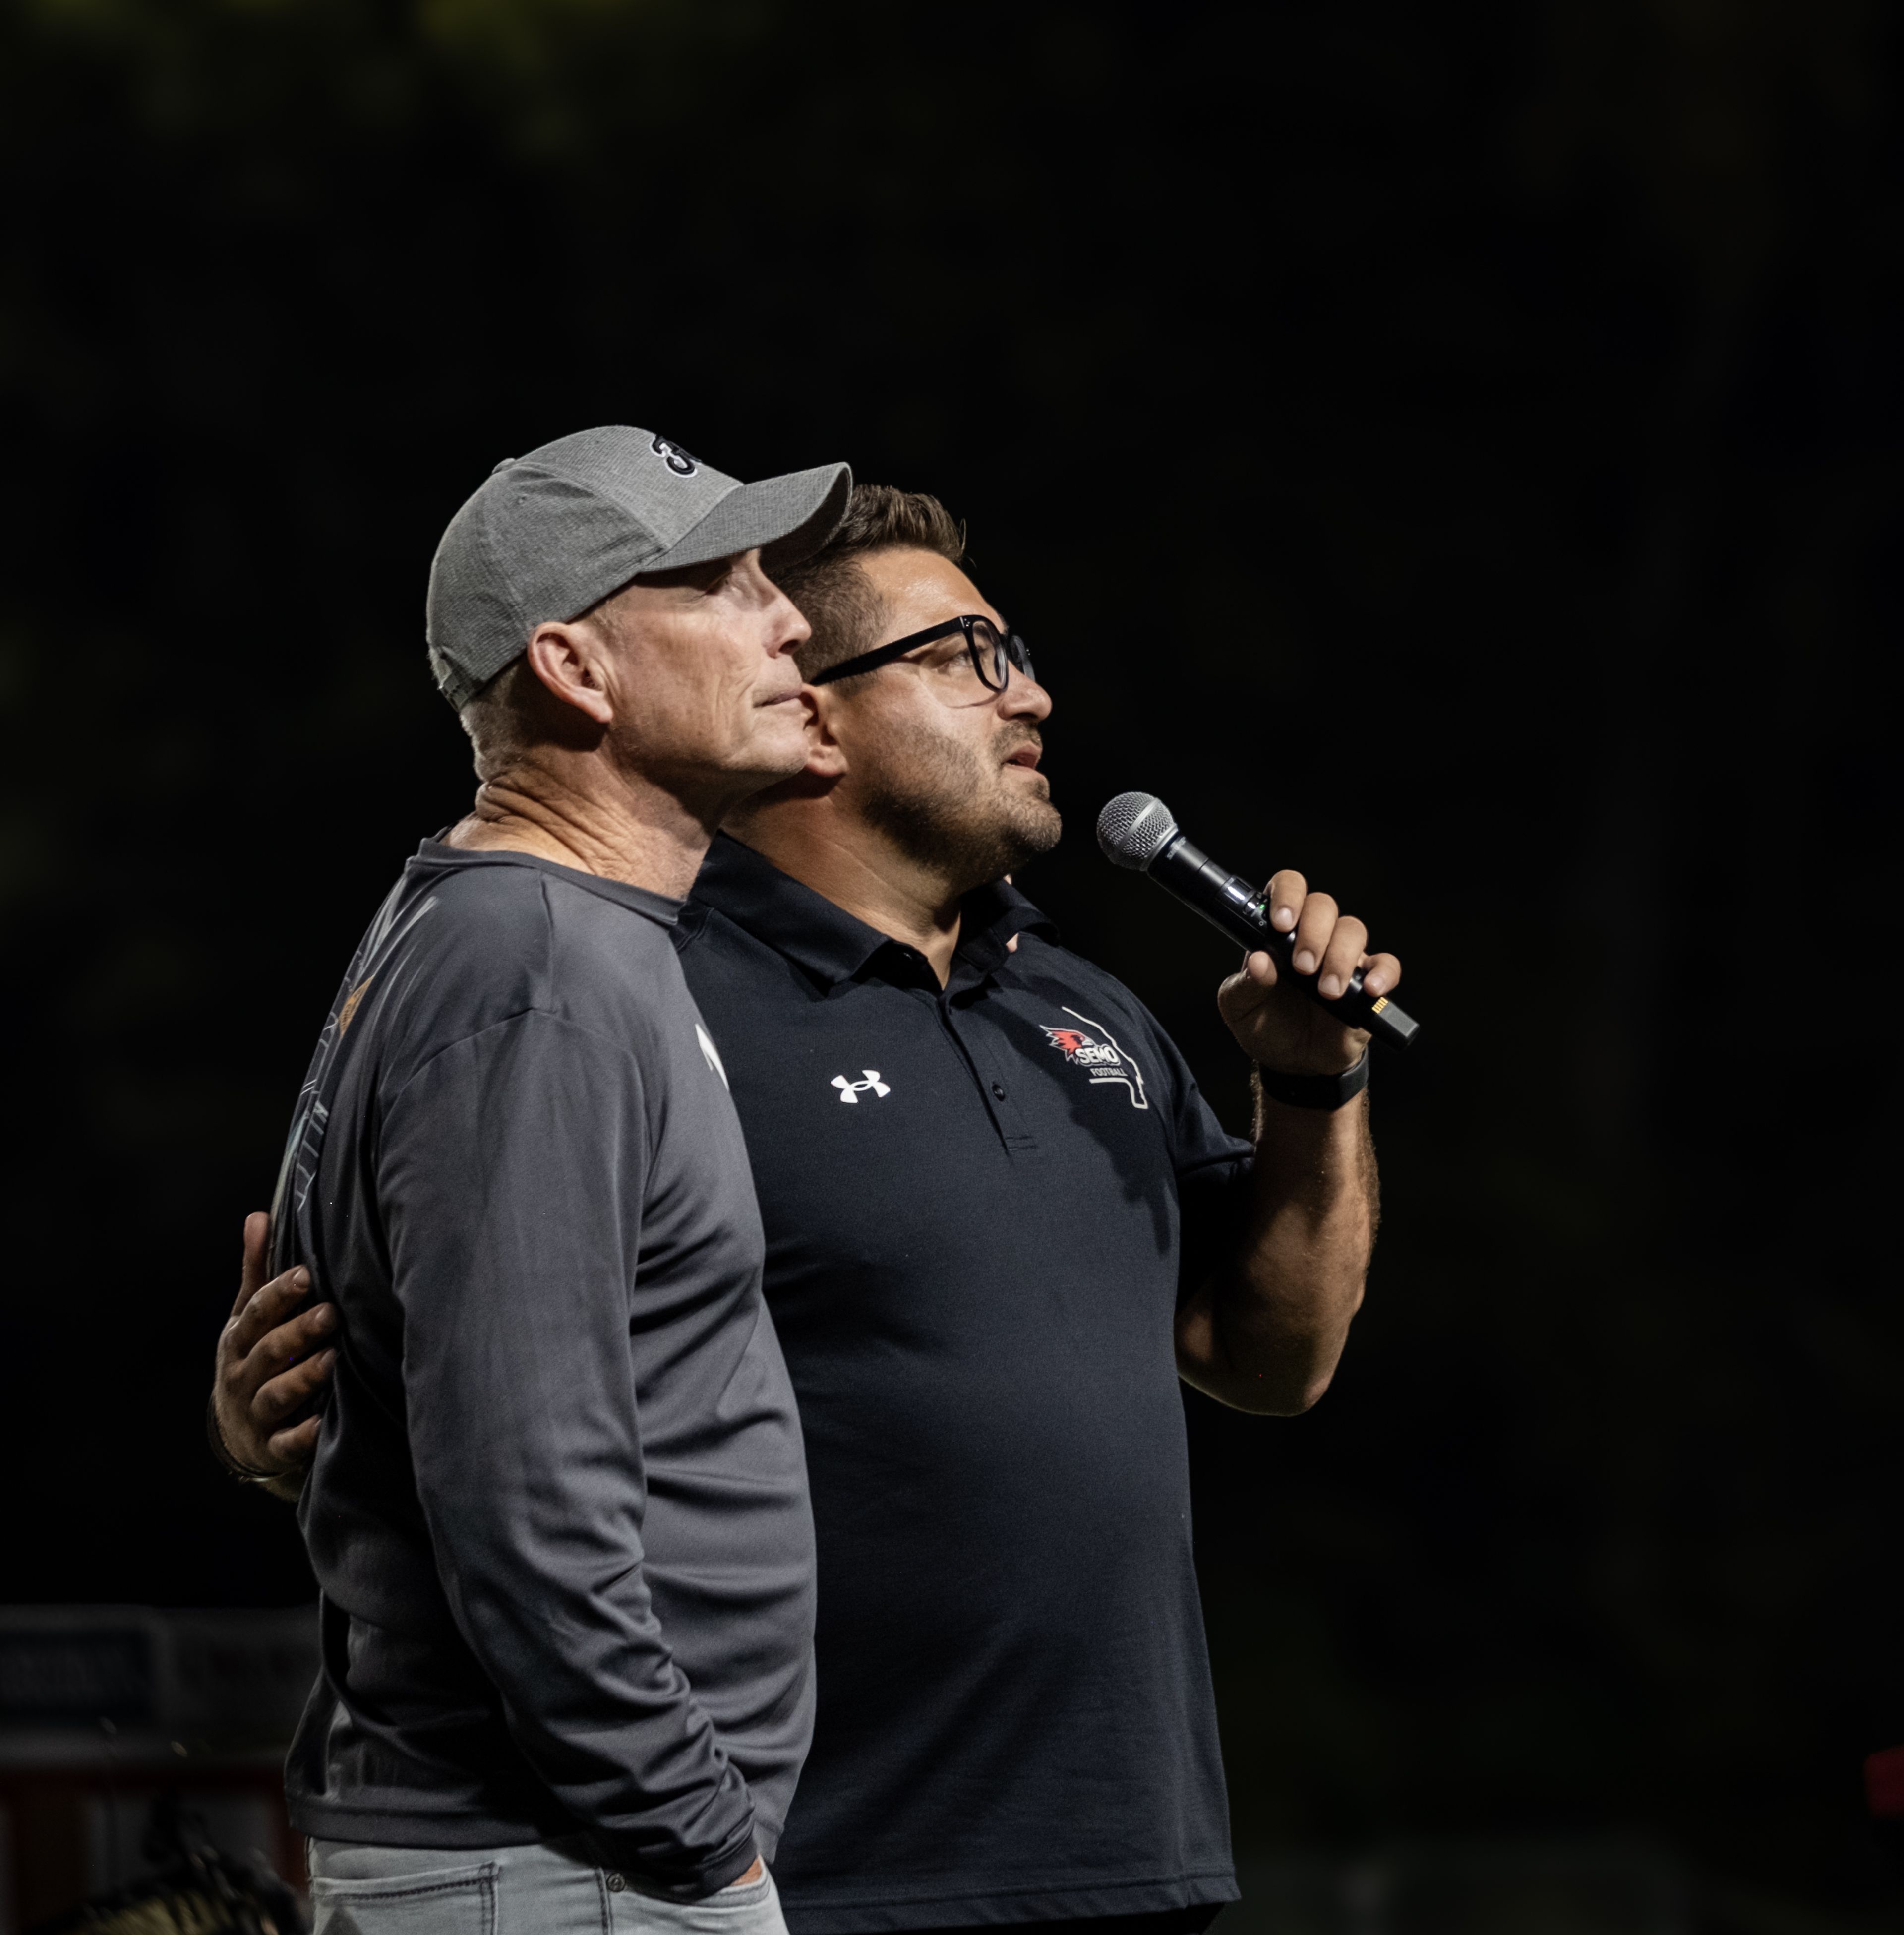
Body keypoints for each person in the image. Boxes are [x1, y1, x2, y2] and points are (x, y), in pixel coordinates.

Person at [215, 486, 1400, 1935]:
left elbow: (1269, 1358)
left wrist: (1314, 1089)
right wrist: (286, 1430)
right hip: (796, 1864)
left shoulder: (1081, 1016)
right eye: (966, 652)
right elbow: (470, 1421)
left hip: (1121, 1846)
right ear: (812, 711)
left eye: (1014, 647)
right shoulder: (637, 994)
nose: (1029, 689)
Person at [210, 424, 852, 1932]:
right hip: (573, 1865)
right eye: (722, 585)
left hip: (549, 1856)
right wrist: (703, 1844)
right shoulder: (540, 970)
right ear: (575, 667)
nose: (793, 622)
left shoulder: (521, 934)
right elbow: (520, 1499)